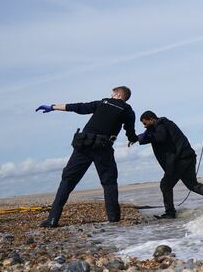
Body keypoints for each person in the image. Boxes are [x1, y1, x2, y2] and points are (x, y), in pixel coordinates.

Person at [35, 86, 137, 228]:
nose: (110, 95)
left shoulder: (102, 103)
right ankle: (113, 219)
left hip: (83, 145)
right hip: (103, 147)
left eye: (112, 94)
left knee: (68, 181)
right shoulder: (128, 111)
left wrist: (53, 107)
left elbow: (78, 107)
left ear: (118, 94)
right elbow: (130, 132)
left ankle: (52, 219)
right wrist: (134, 138)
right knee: (109, 182)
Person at [133, 111, 203, 219]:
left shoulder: (161, 125)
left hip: (180, 160)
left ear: (151, 119)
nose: (145, 126)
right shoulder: (164, 124)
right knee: (193, 185)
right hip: (188, 157)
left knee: (165, 185)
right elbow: (150, 135)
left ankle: (170, 213)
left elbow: (160, 137)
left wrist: (141, 137)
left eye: (145, 123)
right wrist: (137, 138)